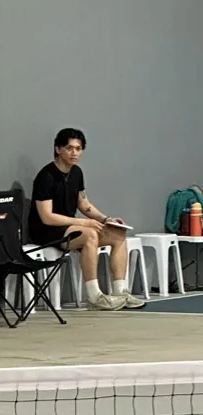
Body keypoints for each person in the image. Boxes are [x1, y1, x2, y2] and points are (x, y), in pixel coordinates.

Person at [28, 127, 145, 311]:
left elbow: (83, 204)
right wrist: (84, 222)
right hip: (46, 231)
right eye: (69, 148)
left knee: (118, 234)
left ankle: (121, 293)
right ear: (58, 149)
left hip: (69, 226)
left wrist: (106, 219)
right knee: (90, 234)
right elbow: (47, 217)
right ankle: (94, 296)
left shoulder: (76, 173)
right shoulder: (46, 177)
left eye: (78, 148)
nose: (74, 153)